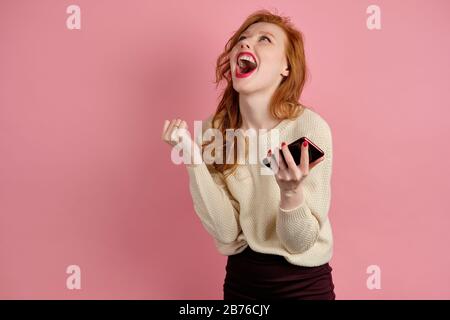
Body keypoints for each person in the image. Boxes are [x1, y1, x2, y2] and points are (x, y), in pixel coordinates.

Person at [162, 9, 335, 300]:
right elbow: (227, 233)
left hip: (304, 285)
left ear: (286, 68)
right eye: (242, 39)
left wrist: (290, 192)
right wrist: (193, 160)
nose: (245, 44)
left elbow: (299, 243)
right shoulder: (215, 131)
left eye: (264, 39)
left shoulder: (308, 129)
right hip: (243, 281)